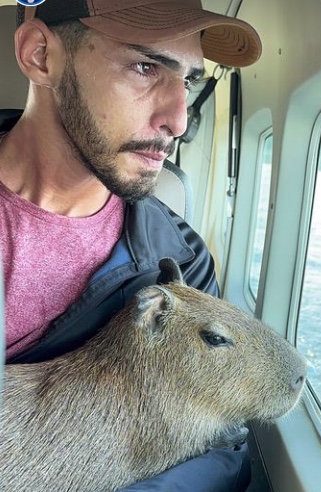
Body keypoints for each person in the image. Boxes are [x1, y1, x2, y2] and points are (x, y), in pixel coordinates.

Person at [0, 0, 261, 490]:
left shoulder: (181, 264)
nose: (178, 120)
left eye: (190, 81)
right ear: (39, 55)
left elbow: (215, 448)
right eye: (145, 67)